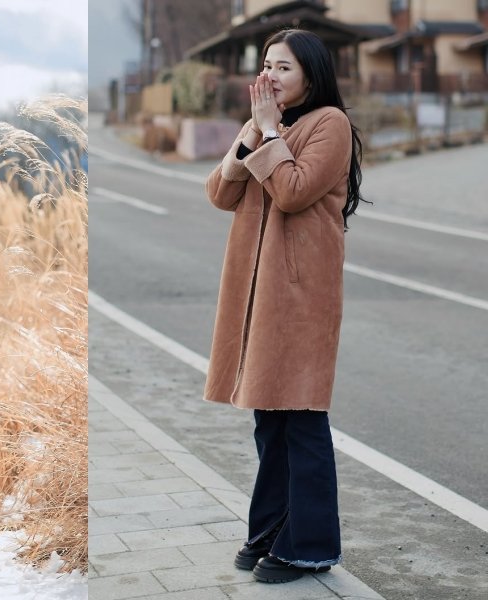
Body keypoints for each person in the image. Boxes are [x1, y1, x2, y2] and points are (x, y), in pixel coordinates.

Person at [203, 28, 365, 584]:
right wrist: (251, 135)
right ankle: (272, 528)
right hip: (256, 292)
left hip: (300, 294)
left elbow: (294, 191)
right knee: (268, 418)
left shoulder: (330, 125)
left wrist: (270, 131)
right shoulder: (267, 125)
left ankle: (311, 545)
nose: (269, 76)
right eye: (266, 65)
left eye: (284, 68)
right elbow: (220, 194)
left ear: (312, 76)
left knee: (301, 417)